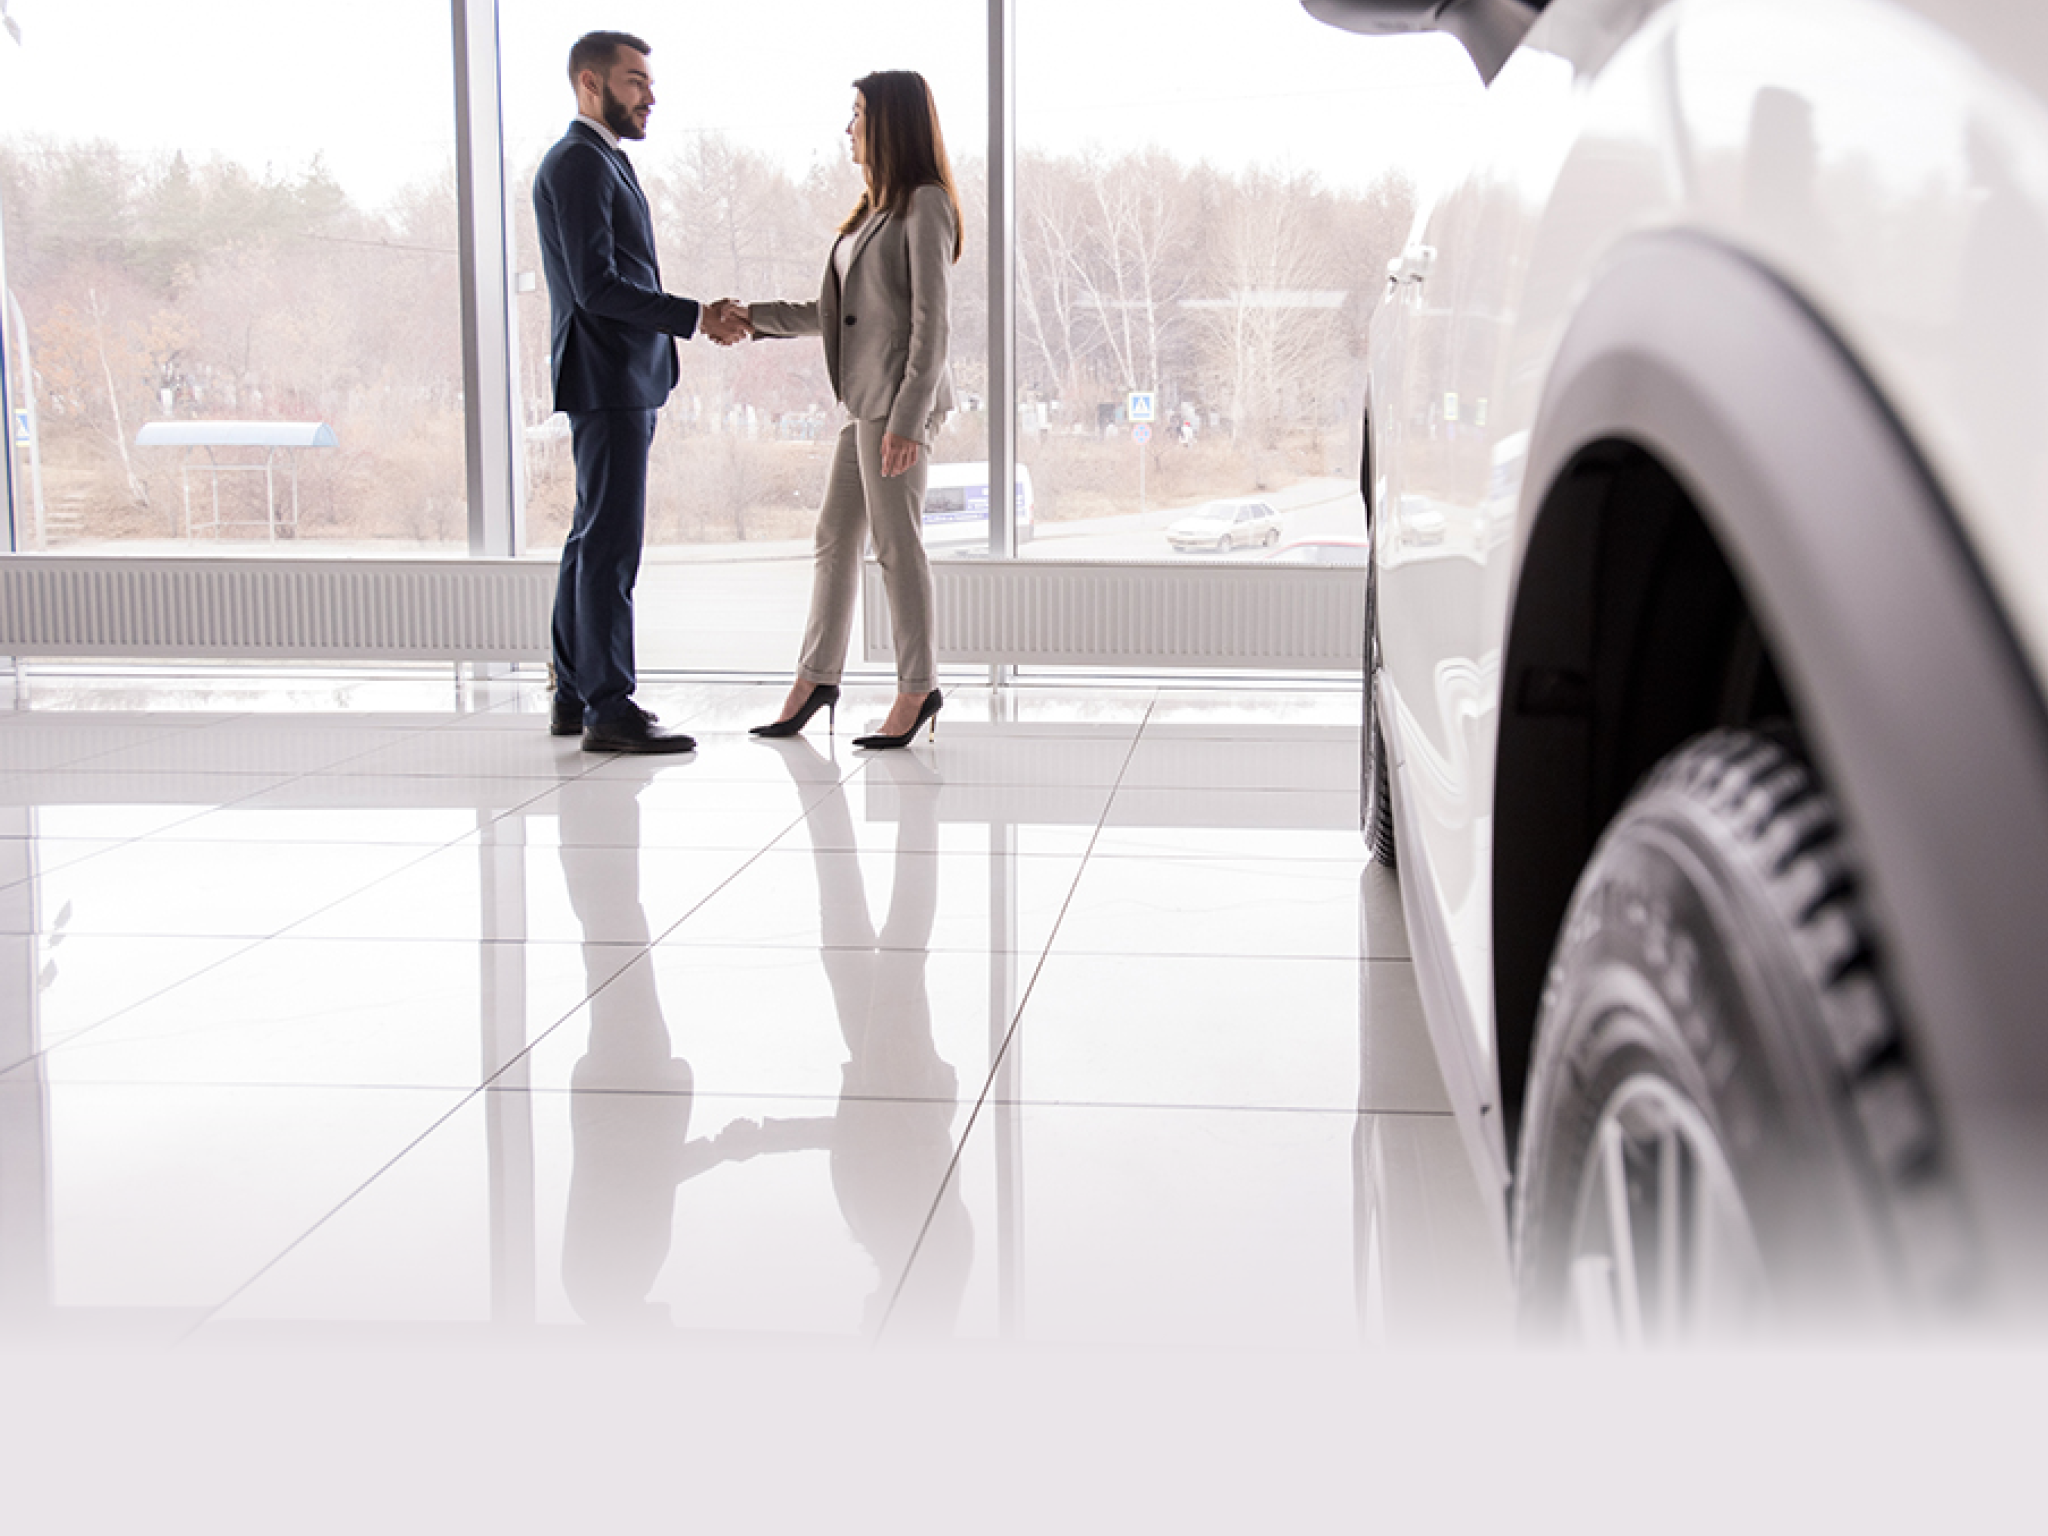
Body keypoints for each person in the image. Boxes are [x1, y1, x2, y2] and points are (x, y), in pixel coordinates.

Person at [720, 71, 960, 750]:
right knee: (835, 537)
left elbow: (932, 326)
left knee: (896, 547)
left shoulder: (926, 204)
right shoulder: (872, 212)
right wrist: (752, 319)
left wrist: (910, 421)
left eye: (857, 114)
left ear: (890, 122)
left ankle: (918, 686)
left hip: (896, 407)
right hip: (866, 406)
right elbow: (834, 316)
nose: (848, 127)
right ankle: (817, 677)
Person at [532, 30, 747, 754]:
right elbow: (597, 287)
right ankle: (607, 708)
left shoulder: (596, 161)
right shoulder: (580, 164)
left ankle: (575, 694)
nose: (649, 95)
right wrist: (694, 316)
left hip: (613, 376)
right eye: (634, 82)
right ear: (590, 84)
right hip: (609, 376)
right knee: (610, 545)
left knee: (591, 538)